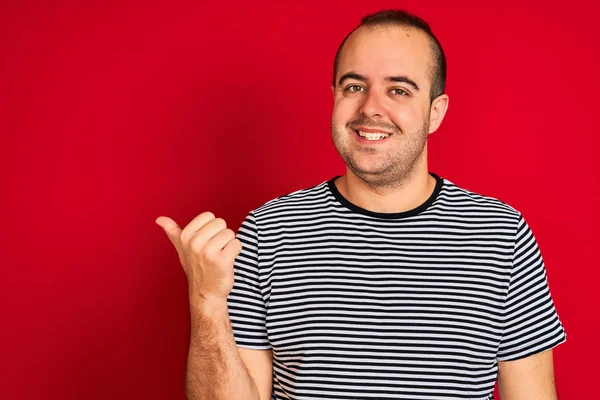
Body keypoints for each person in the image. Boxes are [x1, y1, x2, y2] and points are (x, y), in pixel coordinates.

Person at [155, 9, 566, 400]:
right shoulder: (268, 232)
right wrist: (206, 301)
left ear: (435, 113)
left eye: (398, 90)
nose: (370, 106)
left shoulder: (501, 233)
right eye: (354, 86)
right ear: (334, 97)